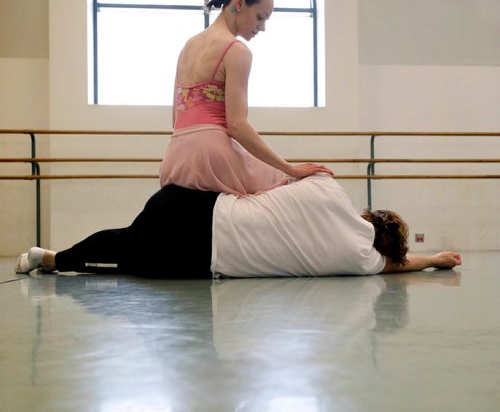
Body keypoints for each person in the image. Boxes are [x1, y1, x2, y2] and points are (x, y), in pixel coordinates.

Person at [15, 175, 461, 279]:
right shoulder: (364, 261)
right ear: (384, 246)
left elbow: (285, 176)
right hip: (205, 255)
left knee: (126, 237)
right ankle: (51, 259)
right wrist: (435, 259)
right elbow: (399, 266)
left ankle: (51, 256)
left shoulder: (330, 190)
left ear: (369, 214)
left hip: (200, 205)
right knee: (127, 261)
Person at [159, 0, 333, 194]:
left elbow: (176, 119)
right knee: (290, 183)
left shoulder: (188, 46)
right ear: (239, 2)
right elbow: (237, 126)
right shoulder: (237, 50)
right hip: (211, 156)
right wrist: (289, 168)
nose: (262, 28)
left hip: (174, 156)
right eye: (260, 17)